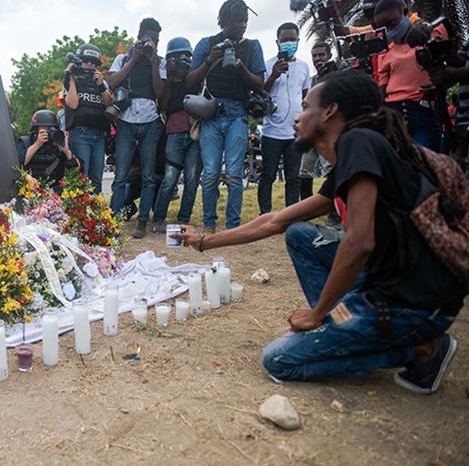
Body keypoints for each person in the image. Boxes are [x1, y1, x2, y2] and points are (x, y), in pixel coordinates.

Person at [173, 71, 464, 391]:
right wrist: (203, 242)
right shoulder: (355, 155)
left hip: (413, 302)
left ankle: (422, 350)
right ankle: (343, 321)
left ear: (330, 111)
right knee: (300, 235)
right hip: (388, 282)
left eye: (306, 107)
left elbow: (360, 242)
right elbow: (275, 221)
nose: (298, 117)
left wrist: (317, 313)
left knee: (278, 360)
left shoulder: (358, 142)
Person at [186, 0, 266, 234]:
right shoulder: (207, 44)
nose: (242, 26)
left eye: (245, 21)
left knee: (233, 174)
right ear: (224, 21)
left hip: (238, 116)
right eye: (238, 21)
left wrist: (241, 67)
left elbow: (259, 84)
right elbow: (190, 81)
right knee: (210, 173)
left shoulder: (252, 47)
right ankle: (209, 223)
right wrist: (210, 60)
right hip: (210, 115)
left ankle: (232, 226)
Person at [108, 17, 167, 238]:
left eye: (157, 40)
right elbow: (112, 83)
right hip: (126, 121)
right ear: (139, 37)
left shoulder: (159, 62)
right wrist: (134, 59)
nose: (153, 43)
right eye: (149, 38)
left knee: (149, 175)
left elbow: (159, 92)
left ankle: (142, 221)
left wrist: (152, 62)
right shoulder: (123, 58)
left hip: (150, 121)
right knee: (120, 176)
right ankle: (112, 221)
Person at [374, 0, 447, 152]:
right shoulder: (385, 49)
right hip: (394, 118)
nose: (389, 30)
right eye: (383, 27)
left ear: (405, 13)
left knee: (426, 163)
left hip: (422, 114)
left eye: (392, 23)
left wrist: (438, 88)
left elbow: (451, 69)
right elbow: (382, 87)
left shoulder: (431, 33)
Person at [258, 22, 310, 214]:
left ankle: (291, 214)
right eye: (285, 39)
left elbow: (305, 96)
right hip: (272, 131)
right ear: (277, 42)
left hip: (294, 132)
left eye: (292, 39)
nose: (289, 43)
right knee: (267, 175)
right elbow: (261, 93)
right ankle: (265, 215)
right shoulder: (267, 65)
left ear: (298, 41)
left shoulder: (304, 67)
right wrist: (273, 75)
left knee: (293, 177)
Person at [152, 37, 202, 233]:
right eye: (174, 57)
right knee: (169, 179)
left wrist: (190, 71)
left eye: (184, 56)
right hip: (174, 132)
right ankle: (158, 218)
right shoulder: (169, 78)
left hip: (195, 132)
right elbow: (163, 106)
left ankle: (184, 219)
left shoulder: (196, 75)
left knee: (192, 179)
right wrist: (170, 77)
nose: (180, 60)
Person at [63, 44, 112, 194]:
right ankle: (79, 207)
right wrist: (71, 77)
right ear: (79, 62)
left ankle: (95, 207)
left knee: (96, 179)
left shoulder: (101, 82)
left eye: (93, 62)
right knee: (81, 177)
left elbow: (109, 105)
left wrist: (101, 86)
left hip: (99, 135)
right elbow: (72, 104)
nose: (89, 64)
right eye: (85, 61)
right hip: (80, 134)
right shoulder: (70, 81)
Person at [427, 38, 469, 177]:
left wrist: (453, 74)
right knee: (463, 171)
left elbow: (458, 72)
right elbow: (460, 63)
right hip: (463, 119)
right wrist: (446, 51)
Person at [300, 42, 333, 200]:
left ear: (329, 56)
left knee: (329, 168)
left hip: (328, 132)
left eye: (322, 55)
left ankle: (333, 208)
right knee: (305, 169)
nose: (318, 59)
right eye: (315, 56)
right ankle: (306, 204)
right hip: (311, 131)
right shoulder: (311, 81)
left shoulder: (336, 79)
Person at [17, 110, 79, 195]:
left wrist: (66, 151)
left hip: (56, 191)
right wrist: (37, 144)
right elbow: (18, 164)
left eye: (51, 129)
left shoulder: (59, 145)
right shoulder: (25, 142)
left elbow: (76, 170)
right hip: (31, 190)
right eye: (44, 129)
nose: (48, 132)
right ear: (36, 129)